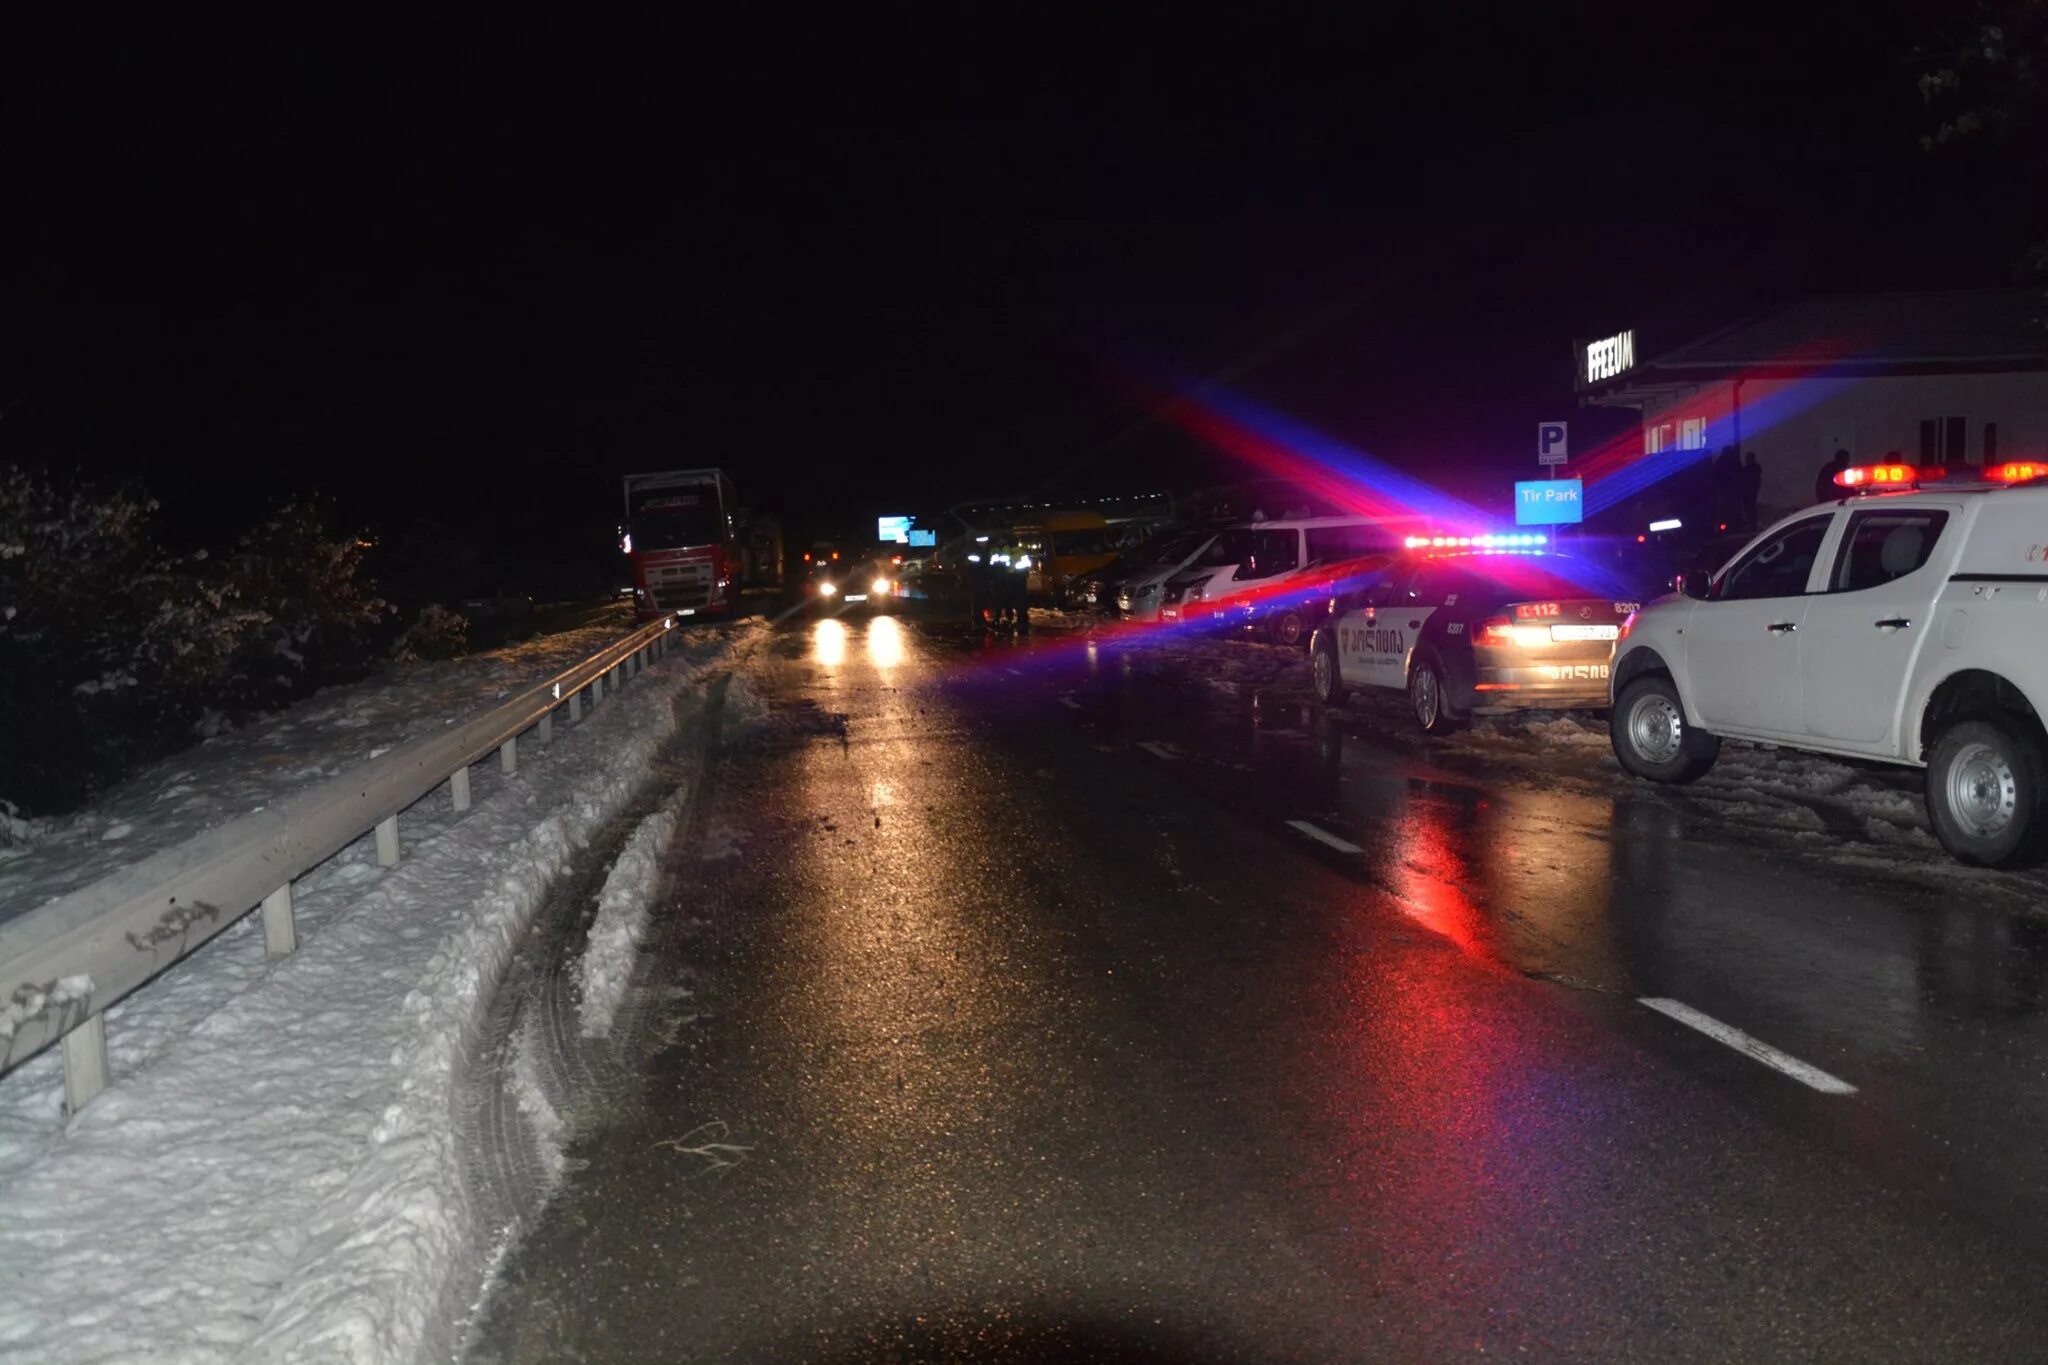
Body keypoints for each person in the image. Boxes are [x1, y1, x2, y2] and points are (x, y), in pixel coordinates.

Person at [1740, 451, 1764, 530]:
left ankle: (1752, 525)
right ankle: (1751, 524)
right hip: (1747, 492)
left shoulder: (1754, 469)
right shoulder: (1747, 469)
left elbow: (1755, 481)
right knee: (1748, 508)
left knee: (1751, 508)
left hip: (1750, 491)